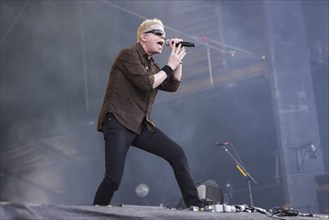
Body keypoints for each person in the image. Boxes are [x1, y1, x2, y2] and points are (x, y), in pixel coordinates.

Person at [93, 18, 202, 209]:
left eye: (165, 35)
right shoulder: (128, 54)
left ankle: (195, 206)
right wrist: (170, 64)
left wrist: (178, 60)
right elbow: (146, 83)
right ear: (144, 37)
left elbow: (172, 85)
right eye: (159, 34)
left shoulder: (151, 64)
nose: (164, 38)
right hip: (118, 121)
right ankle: (94, 212)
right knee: (113, 179)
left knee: (177, 154)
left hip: (140, 124)